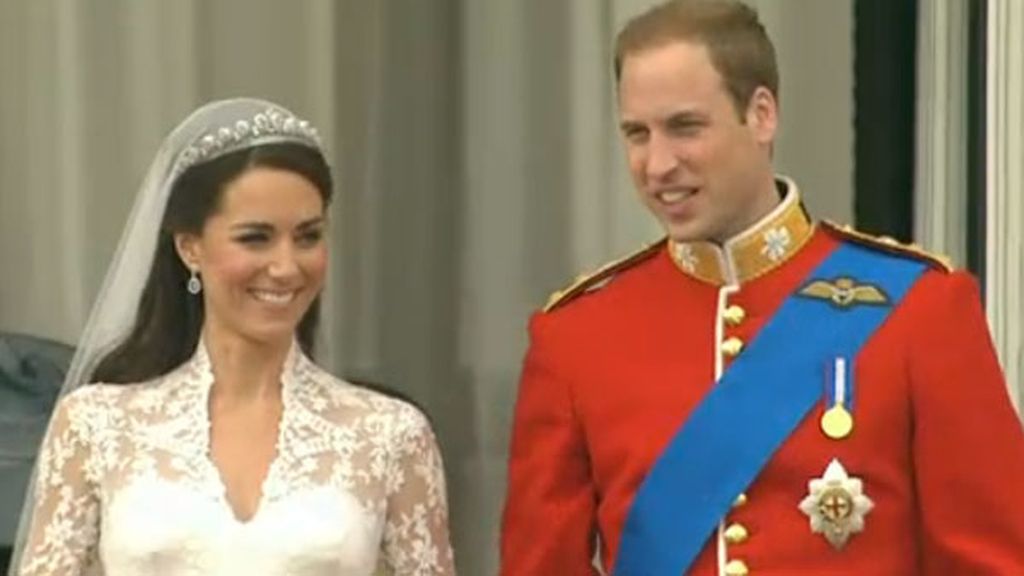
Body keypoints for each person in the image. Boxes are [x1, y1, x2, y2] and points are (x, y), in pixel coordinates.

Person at [500, 1, 1024, 574]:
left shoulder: (919, 309)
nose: (657, 165)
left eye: (685, 127)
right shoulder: (577, 337)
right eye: (636, 134)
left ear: (762, 115)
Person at [11, 98, 456, 576]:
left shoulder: (392, 434)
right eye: (255, 238)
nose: (286, 267)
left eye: (307, 236)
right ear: (189, 247)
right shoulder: (94, 425)